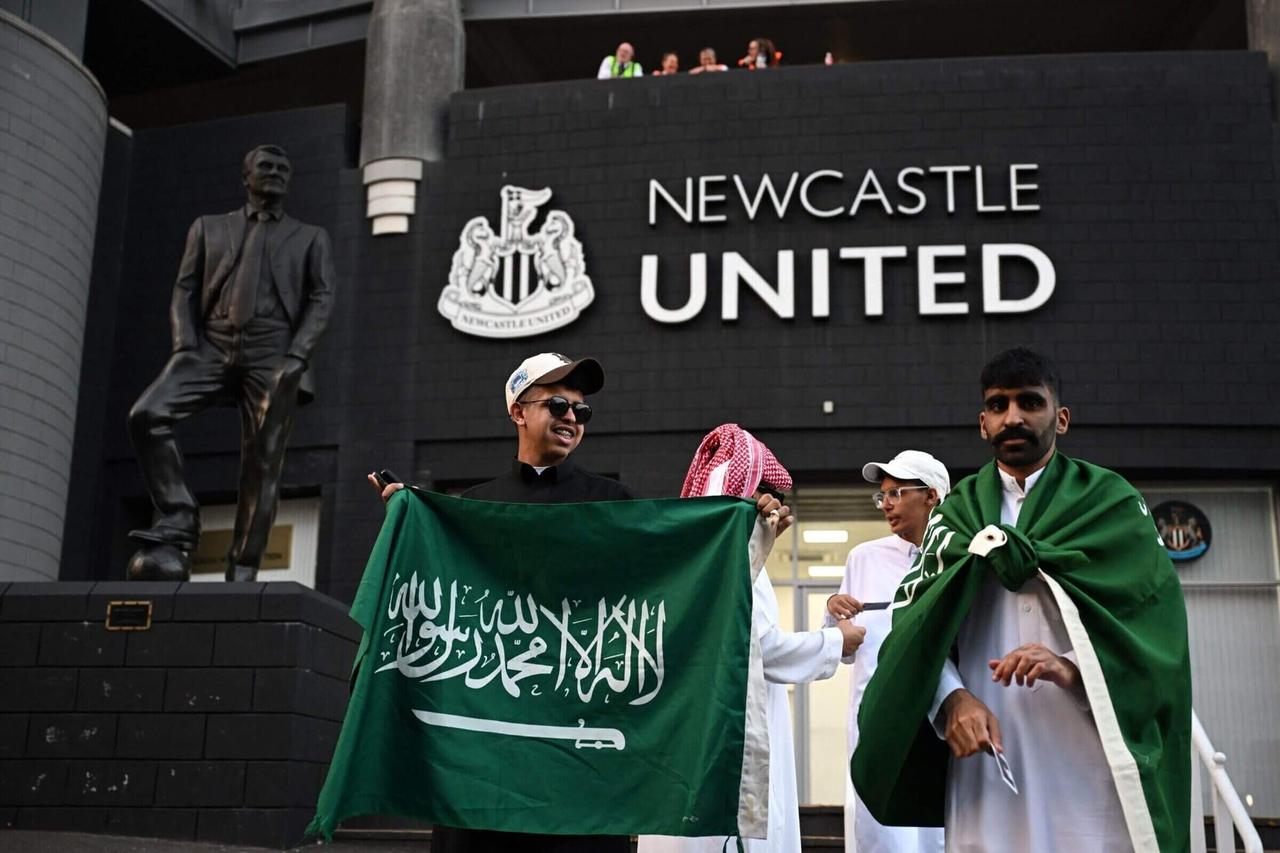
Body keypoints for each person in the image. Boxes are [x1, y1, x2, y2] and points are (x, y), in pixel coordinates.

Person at [373, 362, 792, 852]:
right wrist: (412, 520)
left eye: (581, 410)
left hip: (582, 767)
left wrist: (744, 535)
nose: (571, 417)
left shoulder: (614, 505)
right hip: (490, 766)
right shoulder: (472, 509)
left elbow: (680, 576)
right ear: (518, 412)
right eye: (557, 404)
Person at [851, 348, 1192, 853]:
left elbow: (1154, 625)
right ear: (983, 423)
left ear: (1061, 417)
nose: (1013, 417)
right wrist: (952, 699)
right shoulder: (957, 513)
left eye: (1030, 402)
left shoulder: (1110, 503)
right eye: (998, 405)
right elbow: (914, 626)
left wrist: (1071, 665)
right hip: (987, 761)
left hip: (1089, 756)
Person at [640, 424, 865, 853]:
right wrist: (837, 642)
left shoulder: (686, 561)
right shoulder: (734, 566)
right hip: (729, 747)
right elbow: (762, 652)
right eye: (766, 498)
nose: (775, 509)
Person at [127, 144, 336, 581]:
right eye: (266, 166)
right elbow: (184, 289)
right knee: (146, 415)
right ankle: (179, 514)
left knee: (263, 462)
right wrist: (185, 345)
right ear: (247, 176)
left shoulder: (310, 237)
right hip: (210, 347)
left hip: (272, 352)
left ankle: (243, 568)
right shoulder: (208, 228)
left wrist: (297, 356)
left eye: (283, 168)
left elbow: (322, 297)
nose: (275, 173)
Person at [824, 451, 948, 853]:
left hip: (940, 720)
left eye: (896, 493)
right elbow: (841, 647)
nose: (886, 504)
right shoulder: (864, 558)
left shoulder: (961, 556)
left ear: (931, 495)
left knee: (944, 834)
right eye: (882, 496)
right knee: (882, 838)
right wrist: (833, 609)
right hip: (877, 725)